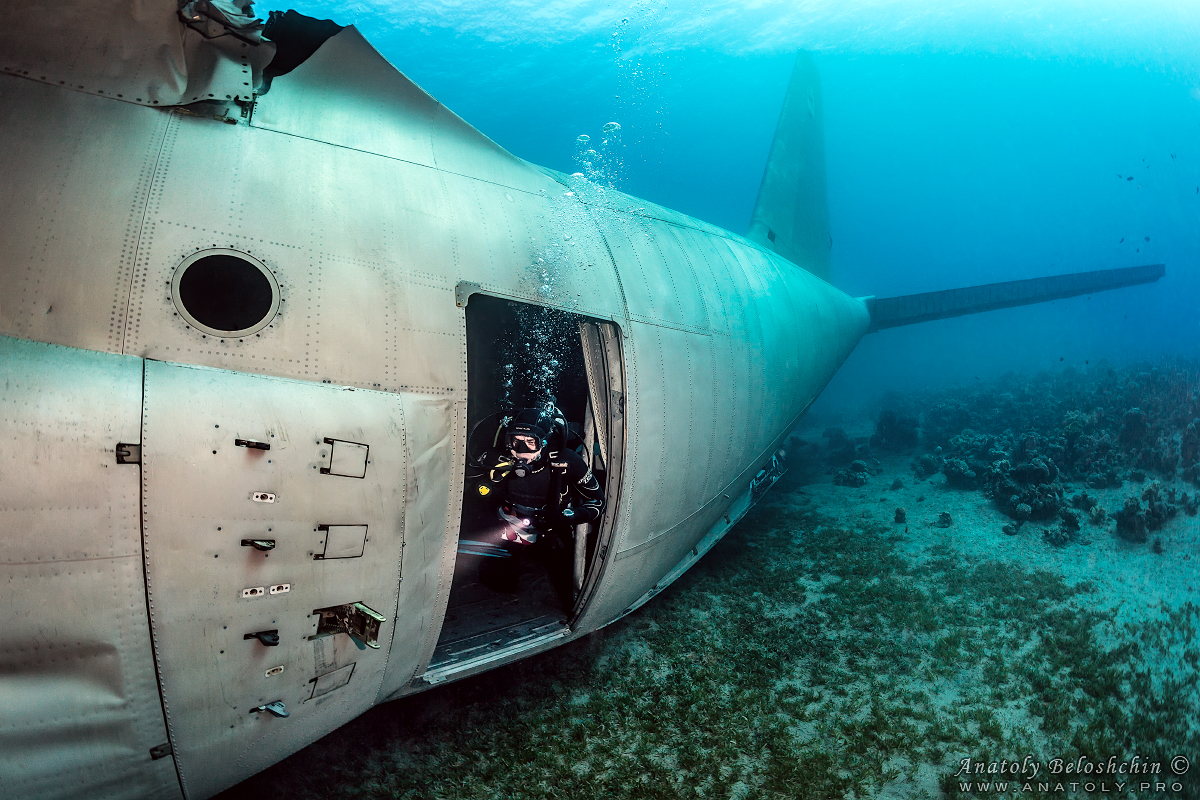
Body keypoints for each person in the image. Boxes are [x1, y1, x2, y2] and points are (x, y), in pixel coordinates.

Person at [483, 406, 605, 549]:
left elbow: (598, 501)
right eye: (516, 441)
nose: (522, 450)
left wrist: (571, 516)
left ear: (543, 443)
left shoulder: (566, 460)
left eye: (531, 442)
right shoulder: (499, 461)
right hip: (507, 529)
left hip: (551, 535)